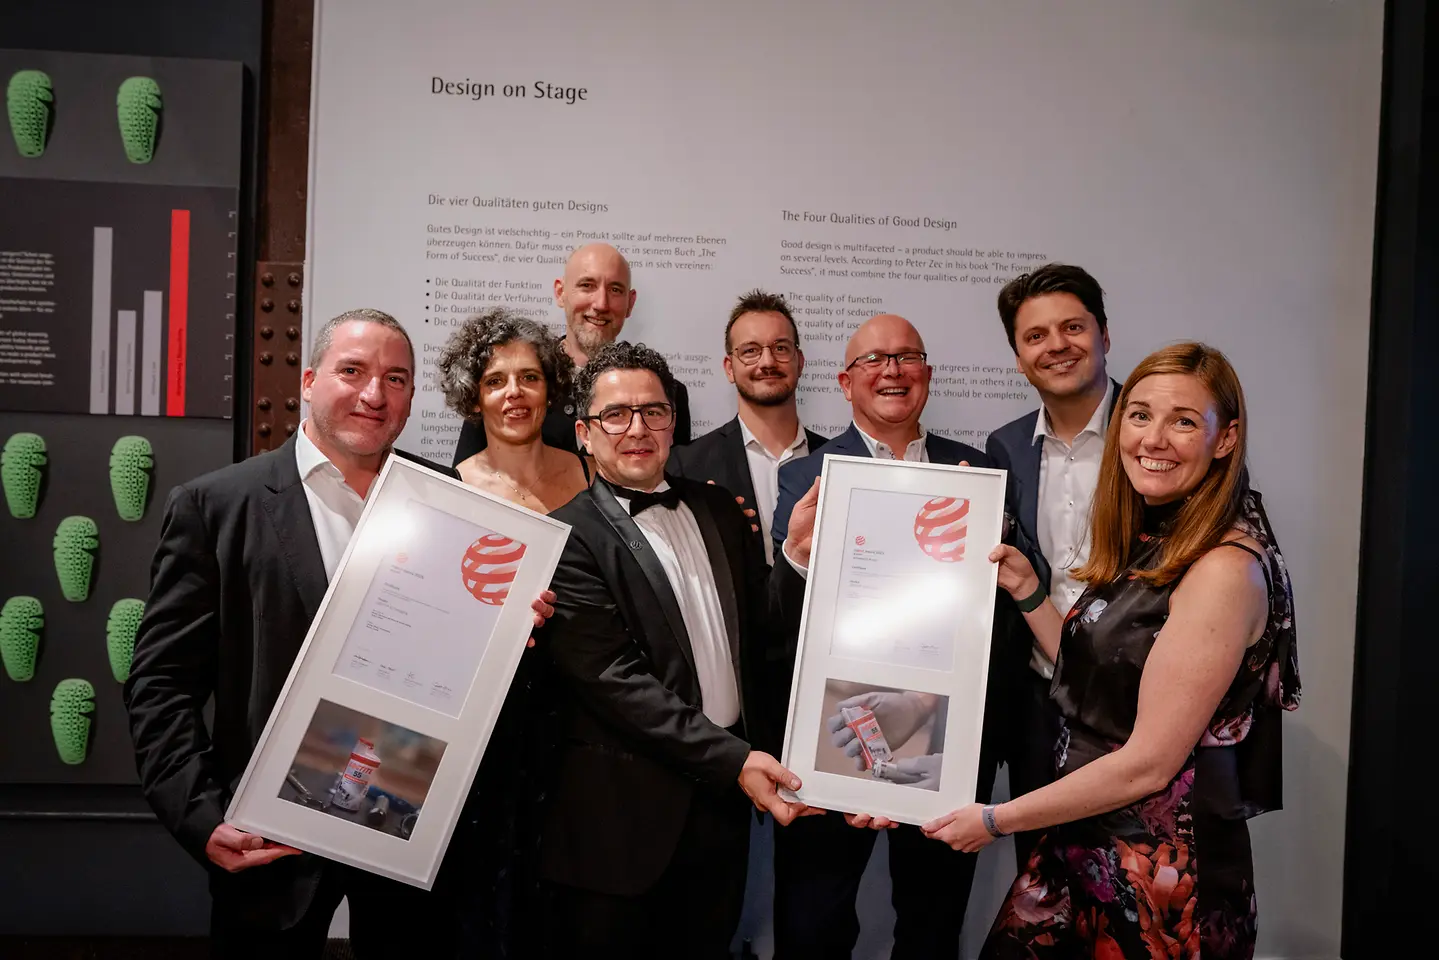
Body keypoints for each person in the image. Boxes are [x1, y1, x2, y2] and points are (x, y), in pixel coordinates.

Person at [123, 309, 555, 957]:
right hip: (268, 838)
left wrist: (514, 627)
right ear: (308, 379)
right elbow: (159, 685)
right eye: (353, 371)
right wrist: (200, 815)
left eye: (396, 379)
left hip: (409, 834)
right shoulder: (217, 508)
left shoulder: (453, 503)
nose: (374, 394)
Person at [923, 342, 1300, 959]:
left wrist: (994, 821)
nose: (1153, 438)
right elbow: (1099, 672)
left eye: (1183, 420)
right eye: (1140, 414)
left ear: (1225, 439)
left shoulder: (1222, 569)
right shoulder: (1161, 535)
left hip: (1158, 879)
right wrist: (1027, 589)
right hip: (1090, 839)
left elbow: (1150, 762)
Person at [537, 340, 813, 959]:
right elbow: (615, 683)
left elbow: (763, 639)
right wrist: (736, 759)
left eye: (654, 412)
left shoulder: (718, 508)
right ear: (585, 433)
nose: (637, 429)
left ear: (673, 422)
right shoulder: (566, 535)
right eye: (617, 415)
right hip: (622, 827)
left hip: (721, 812)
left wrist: (793, 557)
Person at [768, 313, 1022, 960]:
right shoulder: (806, 478)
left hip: (945, 735)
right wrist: (798, 555)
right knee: (813, 921)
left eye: (906, 357)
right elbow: (780, 618)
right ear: (846, 382)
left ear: (928, 376)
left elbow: (1006, 610)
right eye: (875, 361)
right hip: (832, 731)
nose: (892, 371)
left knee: (933, 923)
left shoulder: (978, 472)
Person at [430, 307, 588, 957]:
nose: (514, 393)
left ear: (551, 387)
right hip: (485, 721)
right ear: (473, 396)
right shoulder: (449, 488)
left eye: (528, 377)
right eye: (496, 380)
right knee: (486, 889)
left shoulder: (591, 474)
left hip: (582, 717)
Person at [985, 263, 1122, 868]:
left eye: (1073, 327)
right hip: (1041, 702)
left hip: (1136, 709)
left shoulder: (1152, 436)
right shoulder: (1005, 446)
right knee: (1041, 884)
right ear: (1019, 357)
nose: (1057, 345)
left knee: (1136, 885)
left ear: (1104, 335)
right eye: (1035, 336)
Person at [450, 243, 692, 464]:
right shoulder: (504, 384)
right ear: (560, 293)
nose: (601, 304)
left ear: (630, 303)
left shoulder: (668, 394)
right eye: (587, 285)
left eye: (615, 289)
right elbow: (466, 483)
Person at [670, 289, 828, 564]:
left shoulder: (835, 459)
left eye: (780, 348)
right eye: (750, 351)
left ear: (799, 362)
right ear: (729, 368)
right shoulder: (686, 467)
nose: (767, 362)